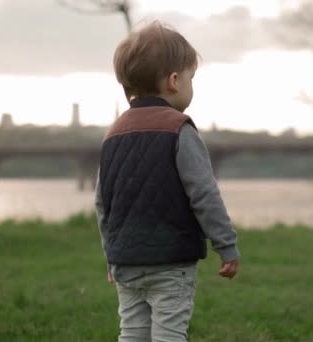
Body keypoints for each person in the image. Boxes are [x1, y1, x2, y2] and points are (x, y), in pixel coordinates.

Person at [94, 21, 240, 342]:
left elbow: (103, 203)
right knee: (169, 334)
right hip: (171, 260)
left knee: (131, 333)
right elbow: (203, 193)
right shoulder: (179, 128)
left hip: (126, 261)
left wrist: (112, 255)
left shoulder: (113, 133)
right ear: (174, 81)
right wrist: (226, 245)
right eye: (191, 77)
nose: (191, 85)